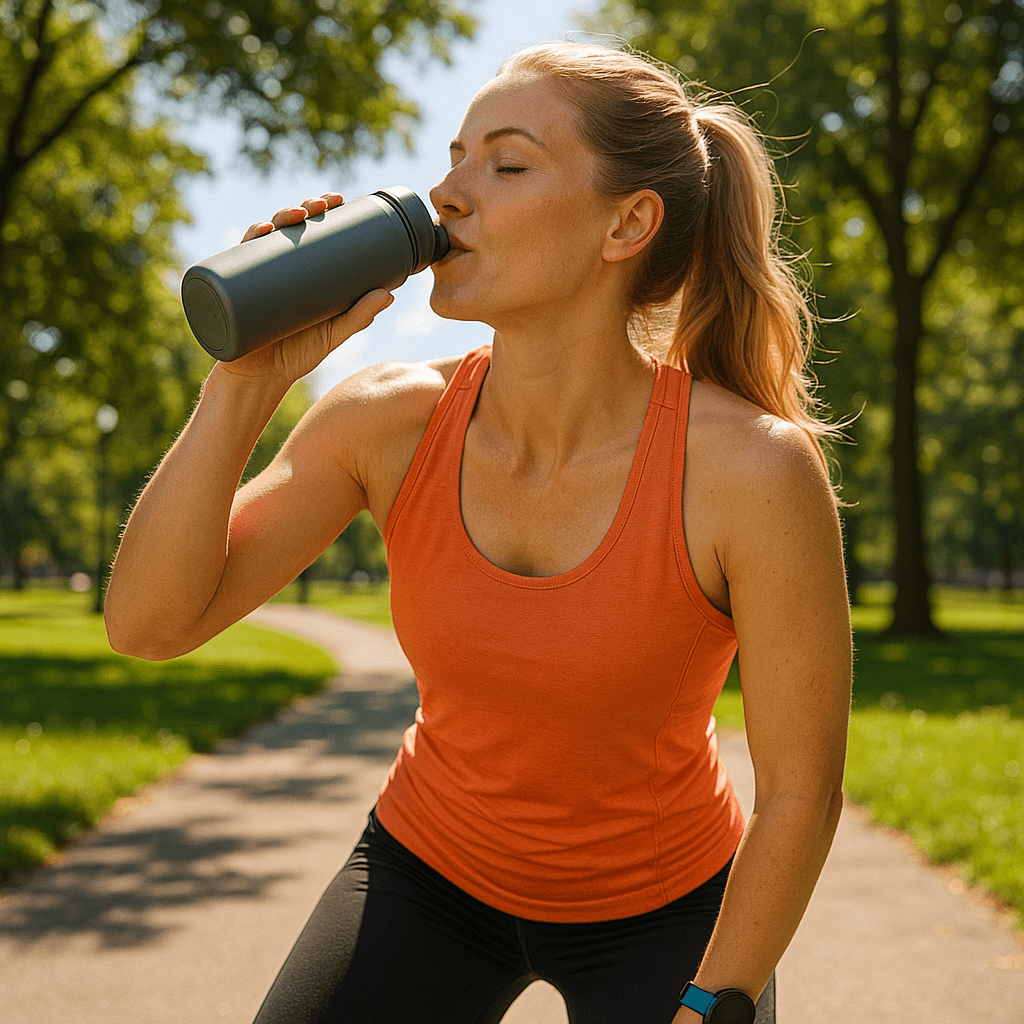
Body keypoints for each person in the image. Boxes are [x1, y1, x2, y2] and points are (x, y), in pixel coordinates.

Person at [105, 40, 852, 1024]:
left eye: (504, 164)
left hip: (668, 907)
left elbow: (799, 793)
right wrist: (246, 384)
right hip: (430, 869)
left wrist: (711, 1002)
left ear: (626, 222)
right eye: (453, 157)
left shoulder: (751, 470)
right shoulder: (386, 423)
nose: (448, 194)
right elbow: (150, 623)